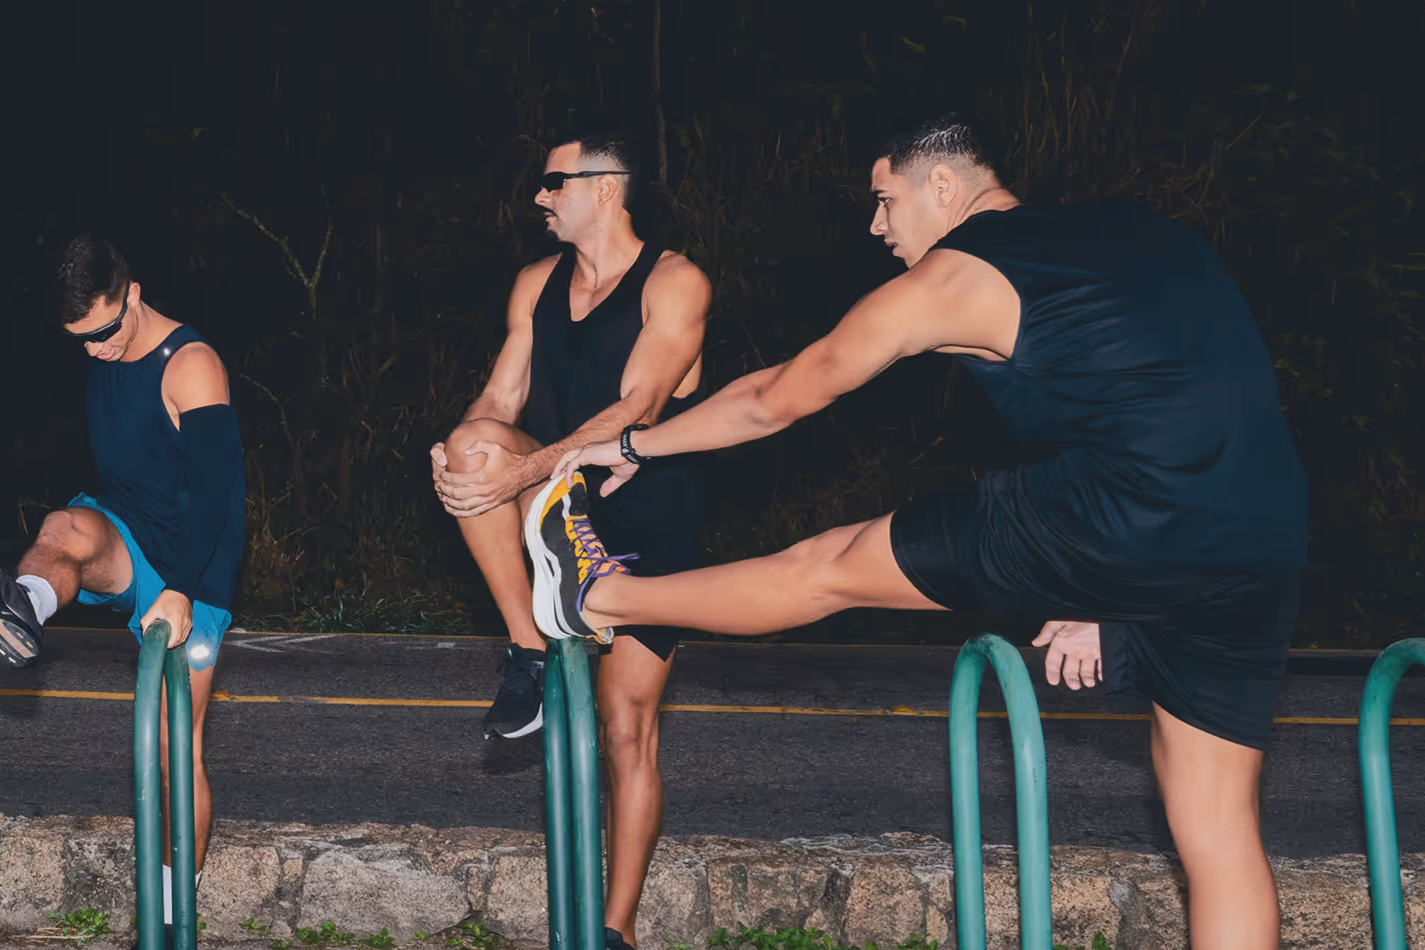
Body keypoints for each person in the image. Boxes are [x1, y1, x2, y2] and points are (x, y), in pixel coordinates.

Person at [533, 112, 1304, 950]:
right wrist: (1110, 590)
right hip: (1256, 534)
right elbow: (1178, 387)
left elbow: (778, 396)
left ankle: (596, 596)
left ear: (941, 185)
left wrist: (631, 444)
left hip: (1126, 515)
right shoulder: (1136, 231)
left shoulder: (957, 275)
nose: (877, 227)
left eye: (884, 201)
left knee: (829, 565)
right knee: (1220, 832)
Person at [429, 124, 710, 950]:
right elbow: (499, 400)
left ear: (607, 187)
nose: (539, 197)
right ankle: (529, 647)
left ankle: (615, 930)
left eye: (554, 183)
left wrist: (521, 471)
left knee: (625, 730)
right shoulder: (534, 285)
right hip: (557, 502)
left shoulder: (675, 282)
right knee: (472, 444)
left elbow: (637, 409)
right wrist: (458, 455)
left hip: (644, 514)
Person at [0, 235, 245, 939]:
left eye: (104, 332)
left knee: (173, 752)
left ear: (133, 293)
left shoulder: (191, 366)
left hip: (197, 567)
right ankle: (22, 607)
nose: (96, 351)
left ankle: (169, 921)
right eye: (79, 340)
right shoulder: (101, 350)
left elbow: (216, 496)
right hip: (128, 535)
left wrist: (184, 590)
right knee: (63, 528)